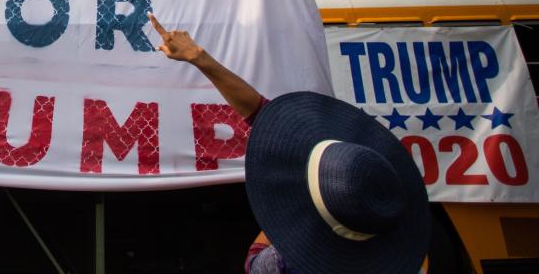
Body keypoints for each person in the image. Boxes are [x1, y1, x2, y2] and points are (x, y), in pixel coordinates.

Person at [148, 14, 430, 274]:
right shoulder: (401, 251)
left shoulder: (280, 264)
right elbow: (259, 111)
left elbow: (255, 260)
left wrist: (200, 59)